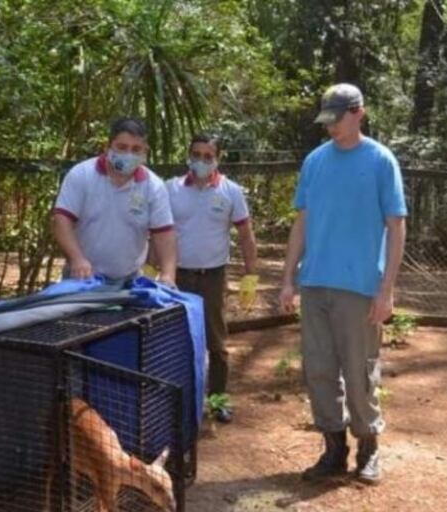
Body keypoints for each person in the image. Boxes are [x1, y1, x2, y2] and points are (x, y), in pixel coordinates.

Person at [279, 83, 407, 485]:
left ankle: (368, 448)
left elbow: (396, 224)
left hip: (360, 286)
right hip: (316, 282)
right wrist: (288, 279)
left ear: (359, 113)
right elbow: (303, 222)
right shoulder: (315, 161)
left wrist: (386, 289)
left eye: (338, 118)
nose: (331, 127)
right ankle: (333, 449)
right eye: (327, 120)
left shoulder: (381, 161)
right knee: (319, 370)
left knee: (359, 371)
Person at [168, 134, 257, 423]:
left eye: (208, 155)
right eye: (197, 154)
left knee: (216, 343)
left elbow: (245, 234)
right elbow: (159, 232)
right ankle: (178, 403)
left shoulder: (230, 192)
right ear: (188, 155)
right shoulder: (172, 190)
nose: (202, 161)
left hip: (213, 277)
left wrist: (250, 276)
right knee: (176, 339)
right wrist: (151, 268)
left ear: (217, 158)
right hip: (177, 276)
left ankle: (218, 400)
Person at [52, 117, 177, 286]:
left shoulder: (153, 186)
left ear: (145, 152)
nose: (128, 154)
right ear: (107, 147)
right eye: (122, 147)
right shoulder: (82, 175)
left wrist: (168, 275)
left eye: (136, 149)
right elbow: (61, 220)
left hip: (129, 281)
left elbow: (163, 234)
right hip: (82, 278)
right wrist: (77, 259)